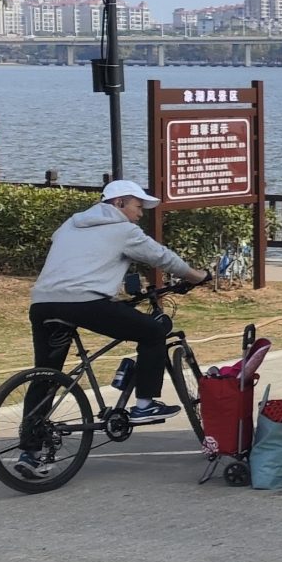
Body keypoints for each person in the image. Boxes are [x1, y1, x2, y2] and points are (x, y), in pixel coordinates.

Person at [27, 179, 212, 429]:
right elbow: (162, 257)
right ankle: (145, 406)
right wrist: (197, 276)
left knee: (46, 373)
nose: (140, 213)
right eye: (138, 206)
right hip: (85, 302)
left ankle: (31, 439)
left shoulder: (70, 223)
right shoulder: (125, 230)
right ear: (119, 202)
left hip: (43, 303)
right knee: (154, 331)